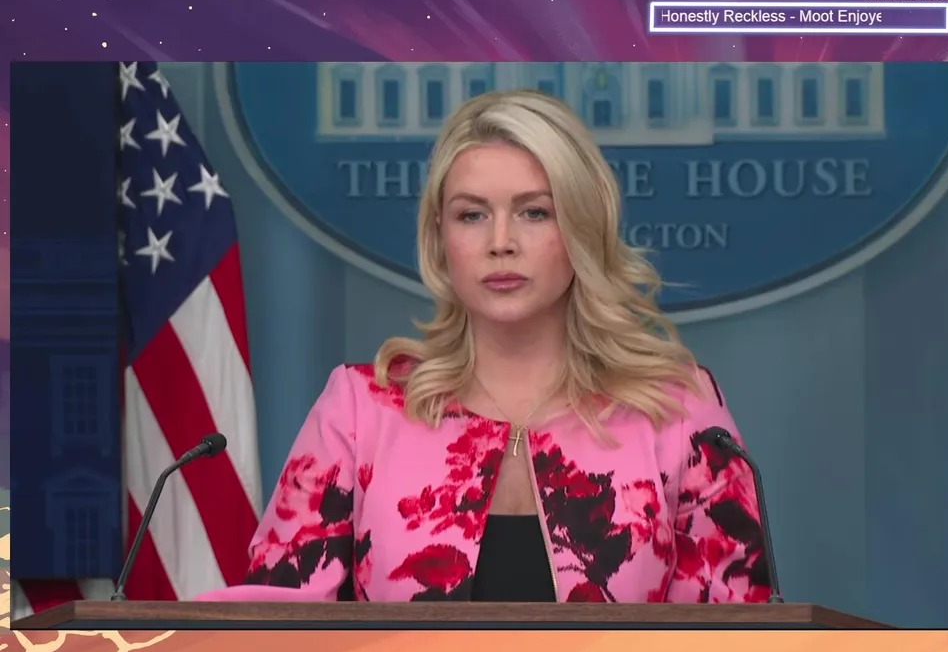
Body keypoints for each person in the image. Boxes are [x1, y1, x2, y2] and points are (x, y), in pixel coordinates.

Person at [205, 90, 772, 604]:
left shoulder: (678, 411)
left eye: (534, 212)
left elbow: (738, 644)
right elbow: (273, 630)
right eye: (472, 215)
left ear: (582, 228)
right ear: (440, 237)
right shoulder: (361, 410)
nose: (501, 242)